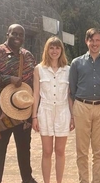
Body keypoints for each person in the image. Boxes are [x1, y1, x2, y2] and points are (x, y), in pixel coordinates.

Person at [0, 24, 37, 183]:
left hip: (24, 109)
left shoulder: (28, 56)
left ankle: (27, 178)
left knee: (24, 146)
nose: (18, 37)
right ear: (7, 33)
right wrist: (7, 79)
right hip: (2, 109)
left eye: (21, 35)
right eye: (14, 33)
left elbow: (34, 81)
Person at [69, 28, 100, 183]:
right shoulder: (76, 63)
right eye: (91, 40)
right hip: (81, 106)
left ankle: (96, 181)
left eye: (97, 40)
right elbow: (72, 88)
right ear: (86, 41)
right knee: (82, 150)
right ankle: (83, 180)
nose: (94, 43)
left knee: (98, 150)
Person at [31, 36, 74, 183]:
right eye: (51, 47)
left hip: (63, 112)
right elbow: (35, 95)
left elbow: (70, 96)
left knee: (60, 151)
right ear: (46, 49)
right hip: (45, 112)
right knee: (47, 151)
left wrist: (73, 116)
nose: (54, 51)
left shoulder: (68, 70)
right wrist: (34, 117)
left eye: (57, 47)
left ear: (61, 50)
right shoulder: (39, 69)